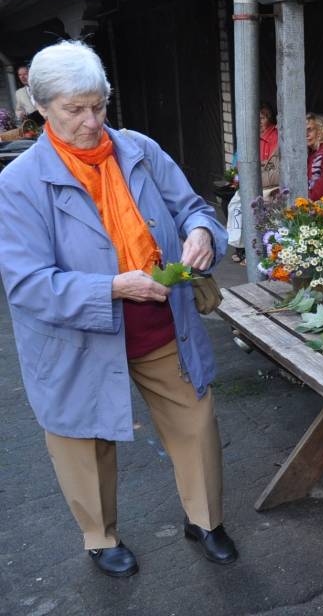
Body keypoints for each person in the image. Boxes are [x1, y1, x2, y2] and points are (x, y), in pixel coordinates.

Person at [0, 41, 237, 577]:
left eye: (99, 106)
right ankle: (99, 536)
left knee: (193, 421)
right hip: (77, 339)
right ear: (41, 108)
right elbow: (28, 283)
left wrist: (201, 232)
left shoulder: (139, 150)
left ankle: (205, 520)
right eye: (74, 110)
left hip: (160, 322)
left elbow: (194, 208)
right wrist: (110, 287)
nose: (91, 122)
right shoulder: (18, 185)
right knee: (82, 441)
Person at [227, 102, 280, 262]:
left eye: (262, 118)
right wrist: (236, 177)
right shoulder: (251, 135)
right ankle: (241, 246)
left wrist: (249, 174)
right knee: (232, 204)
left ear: (269, 119)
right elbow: (239, 161)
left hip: (268, 183)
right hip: (253, 179)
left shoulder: (275, 135)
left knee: (247, 206)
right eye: (256, 118)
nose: (259, 121)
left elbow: (270, 165)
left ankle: (249, 249)